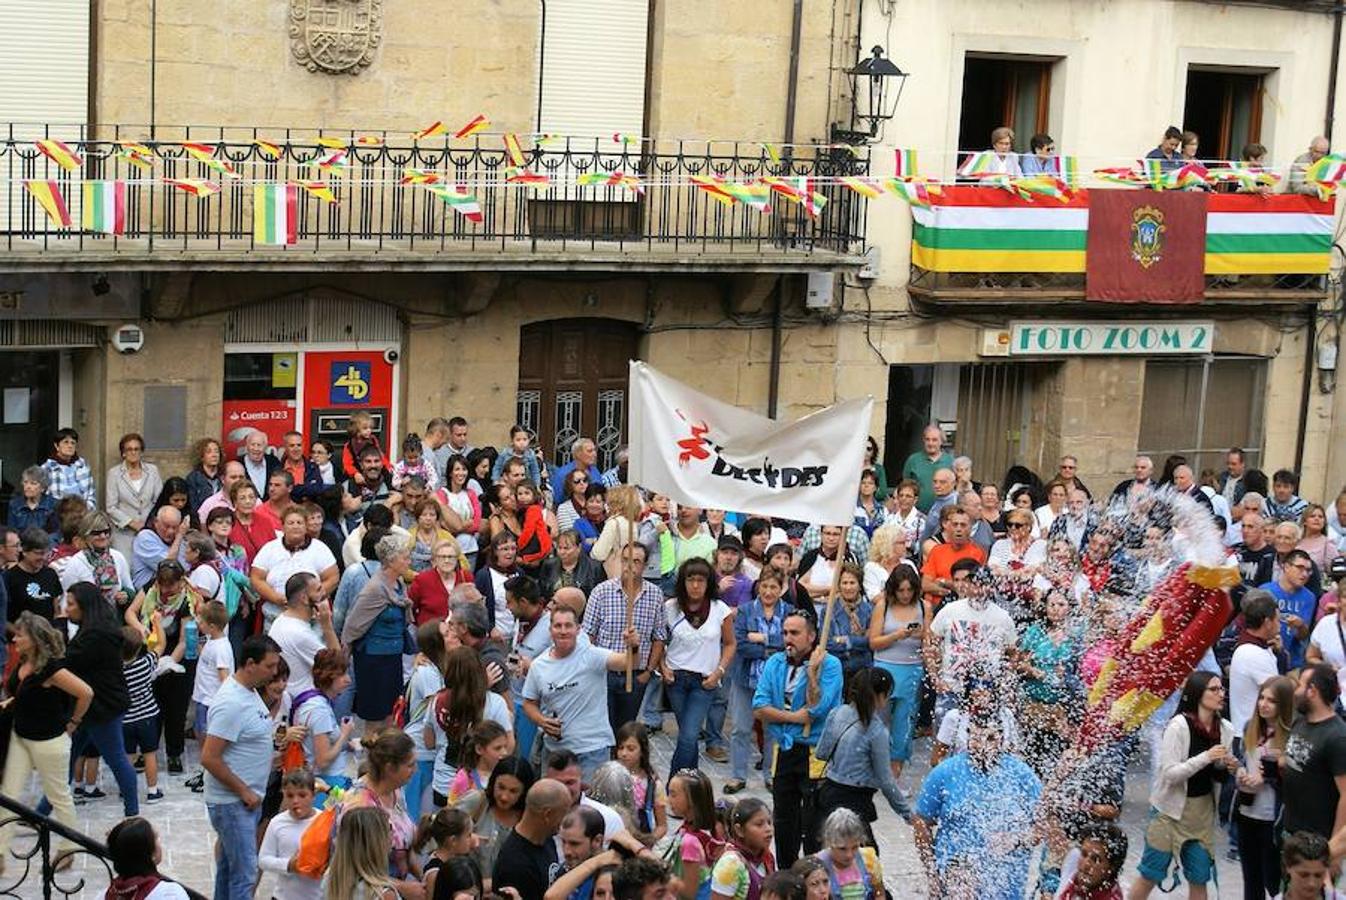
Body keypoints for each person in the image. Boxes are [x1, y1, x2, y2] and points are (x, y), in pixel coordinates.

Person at [1130, 670, 1235, 900]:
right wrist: (1206, 757)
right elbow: (1170, 774)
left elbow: (1217, 776)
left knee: (1200, 878)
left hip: (1201, 814)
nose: (1221, 694)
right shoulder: (1178, 726)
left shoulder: (1226, 729)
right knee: (1150, 874)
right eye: (1214, 689)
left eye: (1222, 689)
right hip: (1168, 812)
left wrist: (1226, 766)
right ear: (1198, 694)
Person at [0, 612, 92, 874]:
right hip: (21, 737)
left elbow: (85, 693)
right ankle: (0, 854)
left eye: (20, 634)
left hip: (49, 742)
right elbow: (26, 693)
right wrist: (10, 703)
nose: (15, 638)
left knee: (58, 797)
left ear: (34, 638)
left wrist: (73, 723)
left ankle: (68, 849)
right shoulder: (26, 660)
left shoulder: (53, 668)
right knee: (8, 794)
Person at [914, 713, 1041, 899]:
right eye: (975, 738)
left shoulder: (1022, 774)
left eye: (990, 738)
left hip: (1007, 884)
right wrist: (932, 874)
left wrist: (1017, 839)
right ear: (968, 736)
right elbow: (921, 822)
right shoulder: (945, 772)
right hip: (957, 881)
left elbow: (1044, 826)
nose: (982, 746)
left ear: (1001, 738)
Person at [752, 609, 843, 866]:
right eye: (785, 633)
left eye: (794, 633)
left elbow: (817, 709)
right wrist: (793, 718)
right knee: (783, 818)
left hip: (815, 751)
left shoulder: (830, 665)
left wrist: (812, 673)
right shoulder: (775, 663)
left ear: (812, 636)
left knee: (813, 819)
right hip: (785, 747)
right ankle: (786, 873)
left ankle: (814, 874)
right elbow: (759, 706)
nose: (788, 638)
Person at [200, 634, 281, 900]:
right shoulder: (231, 702)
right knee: (245, 874)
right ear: (249, 664)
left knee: (228, 870)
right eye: (269, 666)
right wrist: (244, 791)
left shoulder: (248, 693)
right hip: (233, 803)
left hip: (243, 801)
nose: (274, 672)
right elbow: (210, 757)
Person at [523, 604, 638, 780]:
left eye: (568, 626)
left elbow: (629, 663)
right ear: (550, 630)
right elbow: (529, 703)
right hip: (555, 752)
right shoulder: (538, 666)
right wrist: (542, 721)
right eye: (558, 626)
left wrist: (633, 647)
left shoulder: (591, 656)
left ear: (578, 629)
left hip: (592, 750)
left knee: (589, 805)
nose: (563, 631)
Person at [60, 581, 140, 815]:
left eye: (72, 604)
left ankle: (132, 813)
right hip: (91, 707)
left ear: (85, 606)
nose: (68, 609)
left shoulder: (96, 635)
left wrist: (58, 624)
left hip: (101, 709)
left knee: (116, 759)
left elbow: (68, 660)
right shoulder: (99, 629)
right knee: (69, 756)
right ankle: (43, 811)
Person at [813, 666, 913, 846]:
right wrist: (907, 813)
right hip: (856, 800)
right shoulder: (876, 731)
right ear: (881, 696)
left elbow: (821, 752)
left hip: (828, 794)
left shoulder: (837, 713)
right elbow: (886, 780)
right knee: (865, 862)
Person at [660, 557, 736, 775]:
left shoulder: (720, 609)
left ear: (708, 583)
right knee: (687, 735)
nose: (695, 585)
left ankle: (674, 782)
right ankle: (690, 784)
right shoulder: (671, 607)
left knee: (689, 734)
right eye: (690, 580)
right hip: (676, 679)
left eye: (700, 580)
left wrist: (719, 671)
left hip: (704, 682)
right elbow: (659, 640)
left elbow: (730, 644)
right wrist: (663, 667)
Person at [124, 559, 200, 773]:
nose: (165, 591)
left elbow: (185, 640)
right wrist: (141, 628)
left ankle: (174, 753)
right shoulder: (150, 589)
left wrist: (168, 662)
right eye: (162, 585)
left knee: (176, 707)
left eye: (171, 586)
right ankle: (148, 750)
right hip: (150, 648)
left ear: (180, 582)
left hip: (177, 654)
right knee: (151, 705)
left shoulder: (187, 599)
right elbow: (130, 612)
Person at [335, 730, 422, 895]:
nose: (415, 770)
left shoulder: (396, 790)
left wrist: (423, 878)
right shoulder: (358, 805)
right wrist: (403, 888)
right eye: (410, 765)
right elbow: (357, 870)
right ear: (389, 768)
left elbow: (405, 845)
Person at [727, 567, 788, 793]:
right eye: (764, 586)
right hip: (746, 677)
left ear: (781, 589)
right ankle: (738, 776)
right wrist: (772, 647)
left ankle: (771, 775)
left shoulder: (789, 612)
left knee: (773, 730)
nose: (768, 591)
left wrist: (762, 638)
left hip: (775, 681)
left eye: (773, 587)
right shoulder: (744, 611)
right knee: (740, 728)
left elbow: (789, 644)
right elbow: (741, 644)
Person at [1234, 675, 1294, 900]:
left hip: (1273, 819)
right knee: (1251, 880)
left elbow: (1295, 779)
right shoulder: (1251, 727)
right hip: (1246, 812)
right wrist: (1239, 773)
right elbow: (1242, 761)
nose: (1264, 704)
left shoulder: (1291, 737)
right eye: (1262, 698)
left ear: (1284, 705)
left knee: (1274, 881)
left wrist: (1269, 777)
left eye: (1272, 700)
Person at [1281, 662, 1346, 839]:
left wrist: (1333, 846)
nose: (1296, 692)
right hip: (1291, 831)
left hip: (1317, 841)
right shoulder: (1300, 722)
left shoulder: (1338, 737)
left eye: (1300, 685)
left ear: (1312, 691)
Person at [492, 778, 569, 898]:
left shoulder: (546, 839)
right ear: (547, 815)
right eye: (563, 813)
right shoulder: (515, 866)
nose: (564, 820)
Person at [259, 767, 322, 900]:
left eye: (302, 795)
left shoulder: (323, 821)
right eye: (290, 795)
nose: (295, 801)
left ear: (313, 795)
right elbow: (263, 860)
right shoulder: (277, 823)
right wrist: (289, 865)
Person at [660, 768, 721, 900]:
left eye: (673, 794)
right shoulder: (711, 828)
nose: (668, 799)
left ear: (692, 800)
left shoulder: (689, 842)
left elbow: (689, 892)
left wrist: (665, 876)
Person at [1229, 590, 1281, 735]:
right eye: (1277, 619)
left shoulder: (1259, 648)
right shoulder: (1253, 653)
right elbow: (1278, 694)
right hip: (1251, 736)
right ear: (1267, 622)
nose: (1279, 624)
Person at [103, 816, 192, 900]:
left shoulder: (105, 895)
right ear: (149, 855)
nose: (160, 843)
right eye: (156, 838)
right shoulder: (171, 894)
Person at [105, 432, 163, 558]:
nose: (133, 452)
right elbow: (111, 507)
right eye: (129, 449)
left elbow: (159, 501)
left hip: (149, 530)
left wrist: (149, 523)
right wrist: (132, 523)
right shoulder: (114, 474)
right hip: (124, 533)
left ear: (141, 452)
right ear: (123, 453)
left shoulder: (152, 471)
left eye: (136, 449)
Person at [325, 805, 400, 900]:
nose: (393, 834)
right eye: (389, 829)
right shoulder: (384, 894)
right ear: (375, 842)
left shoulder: (330, 879)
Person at [709, 796, 775, 900]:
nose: (768, 829)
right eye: (759, 824)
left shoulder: (767, 857)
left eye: (769, 823)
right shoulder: (730, 864)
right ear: (739, 830)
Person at [1261, 548, 1316, 669]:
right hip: (1266, 656)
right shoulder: (1266, 591)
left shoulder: (1309, 597)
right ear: (1286, 567)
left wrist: (1300, 625)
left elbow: (1302, 636)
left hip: (1293, 662)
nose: (1305, 574)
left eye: (1308, 570)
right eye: (1300, 568)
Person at [812, 809, 885, 900]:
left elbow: (879, 892)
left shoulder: (869, 860)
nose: (849, 855)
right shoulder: (818, 865)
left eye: (855, 847)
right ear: (829, 842)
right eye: (842, 849)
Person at [616, 722, 668, 841]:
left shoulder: (652, 785)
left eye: (631, 749)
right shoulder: (610, 777)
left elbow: (662, 826)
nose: (624, 753)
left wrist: (648, 840)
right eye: (620, 748)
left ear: (642, 751)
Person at [1056, 824, 1128, 900]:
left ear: (1112, 867)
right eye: (1084, 854)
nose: (1086, 864)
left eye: (1096, 860)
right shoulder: (1074, 859)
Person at [901, 425, 953, 514]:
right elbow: (905, 487)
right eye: (927, 439)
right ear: (923, 441)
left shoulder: (950, 461)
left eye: (934, 440)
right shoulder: (913, 460)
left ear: (941, 441)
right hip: (917, 513)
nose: (930, 443)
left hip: (944, 514)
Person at [541, 528, 604, 599]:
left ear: (579, 548)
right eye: (559, 548)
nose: (562, 552)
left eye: (566, 548)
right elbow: (543, 593)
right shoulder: (549, 565)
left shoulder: (594, 567)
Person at [40, 427, 95, 508]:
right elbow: (41, 498)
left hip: (81, 515)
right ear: (56, 445)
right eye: (66, 442)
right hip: (56, 515)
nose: (70, 446)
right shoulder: (47, 468)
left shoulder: (83, 466)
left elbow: (91, 495)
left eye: (73, 443)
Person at [8, 466, 59, 540]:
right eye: (25, 482)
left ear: (43, 488)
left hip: (44, 547)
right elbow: (12, 532)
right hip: (22, 547)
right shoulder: (15, 504)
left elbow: (56, 534)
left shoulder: (53, 504)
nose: (28, 486)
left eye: (33, 483)